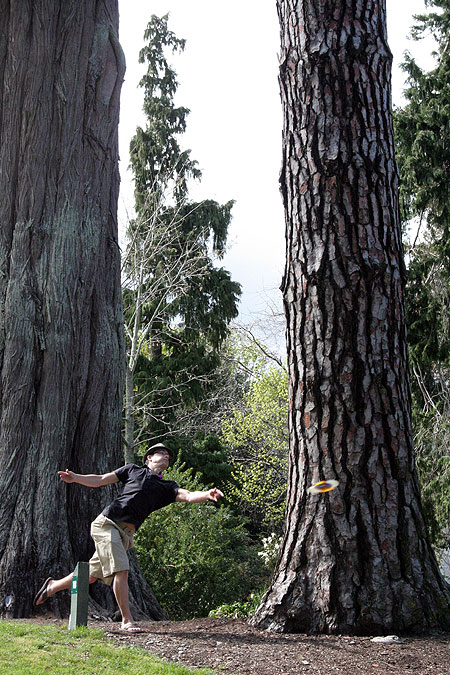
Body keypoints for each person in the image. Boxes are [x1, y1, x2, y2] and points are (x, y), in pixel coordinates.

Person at [33, 443, 224, 632]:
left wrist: (207, 494)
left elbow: (189, 495)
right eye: (161, 453)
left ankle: (52, 586)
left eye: (168, 455)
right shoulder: (132, 470)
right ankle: (127, 620)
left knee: (91, 576)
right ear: (149, 458)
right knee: (122, 570)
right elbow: (100, 479)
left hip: (125, 534)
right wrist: (75, 478)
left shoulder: (167, 487)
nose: (166, 456)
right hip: (107, 524)